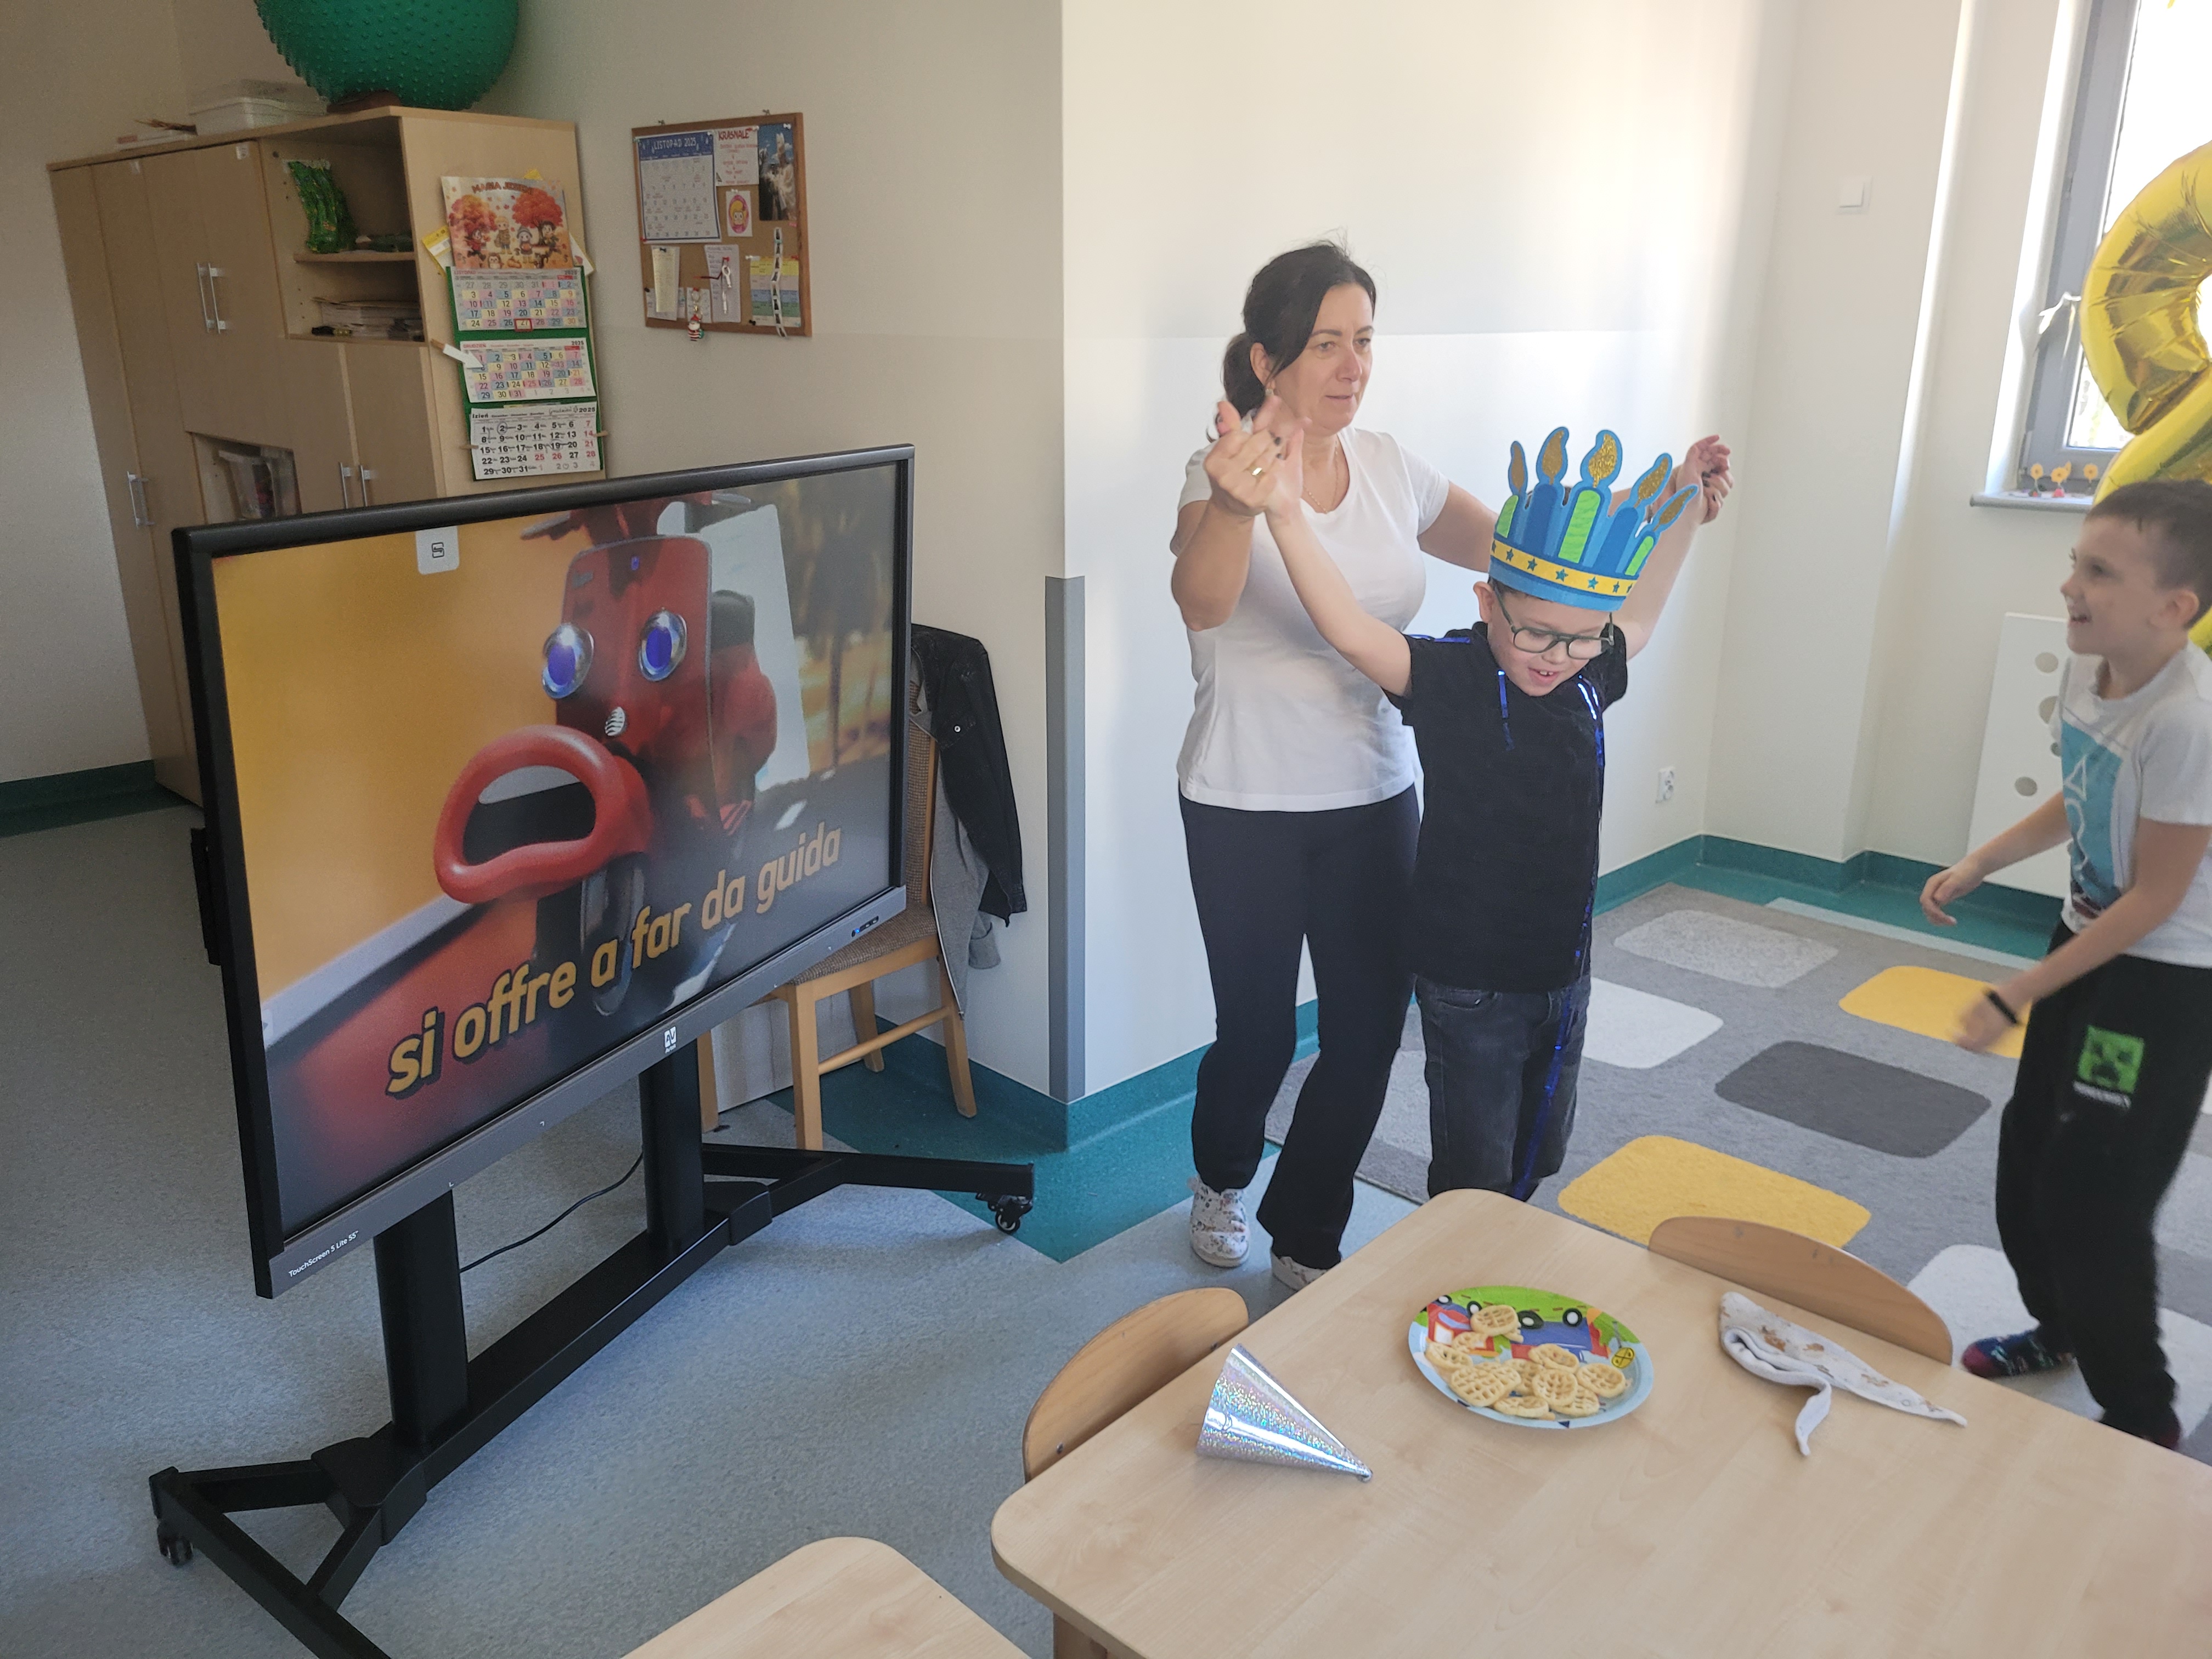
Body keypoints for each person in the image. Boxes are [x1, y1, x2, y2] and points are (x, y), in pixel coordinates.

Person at [1246, 418, 1728, 1203]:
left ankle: (1505, 1254)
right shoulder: (1452, 677)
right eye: (1535, 632)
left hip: (1564, 972)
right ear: (1487, 601)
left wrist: (1684, 505)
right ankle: (1461, 1266)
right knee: (1473, 1176)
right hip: (1471, 984)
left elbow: (1641, 613)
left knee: (1536, 1156)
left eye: (1581, 639)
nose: (1555, 657)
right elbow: (1352, 631)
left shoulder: (1586, 674)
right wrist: (1287, 516)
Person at [1171, 243, 1504, 1289]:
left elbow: (1516, 552)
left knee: (1367, 1031)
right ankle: (1222, 1176)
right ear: (1267, 361)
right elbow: (1201, 603)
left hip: (1373, 791)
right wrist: (1239, 506)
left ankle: (1307, 1233)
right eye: (1325, 344)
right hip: (1244, 799)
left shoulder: (1393, 467)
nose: (1353, 366)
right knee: (1259, 1035)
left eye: (1363, 340)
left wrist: (1655, 510)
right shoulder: (1222, 474)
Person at [1921, 479, 2212, 1448]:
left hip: (2162, 984)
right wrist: (1983, 860)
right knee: (2029, 1159)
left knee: (2098, 1196)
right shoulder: (2090, 671)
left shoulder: (2189, 721)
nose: (2070, 585)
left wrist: (2014, 995)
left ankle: (2142, 1416)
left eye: (2099, 571)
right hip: (2083, 943)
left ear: (2175, 607)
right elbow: (2081, 787)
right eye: (2075, 563)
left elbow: (2155, 899)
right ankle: (2062, 1328)